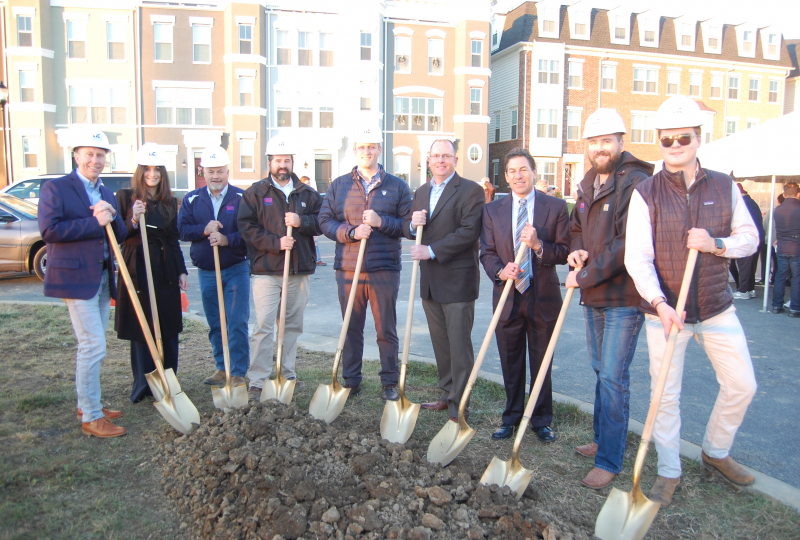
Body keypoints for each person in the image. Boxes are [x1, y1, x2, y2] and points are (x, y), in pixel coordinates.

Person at [625, 95, 759, 507]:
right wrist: (660, 303)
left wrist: (716, 243)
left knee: (742, 384)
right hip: (666, 314)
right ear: (659, 141)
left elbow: (750, 238)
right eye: (667, 139)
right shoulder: (645, 193)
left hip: (716, 306)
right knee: (664, 394)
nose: (676, 144)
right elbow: (637, 257)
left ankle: (715, 450)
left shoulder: (723, 186)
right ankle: (668, 470)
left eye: (684, 137)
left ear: (699, 138)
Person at [565, 109, 653, 489]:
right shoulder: (587, 183)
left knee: (614, 378)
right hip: (594, 295)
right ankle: (603, 437)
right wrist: (575, 251)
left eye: (607, 141)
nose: (600, 148)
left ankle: (610, 459)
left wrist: (584, 274)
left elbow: (625, 246)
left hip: (624, 297)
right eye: (594, 142)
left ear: (621, 142)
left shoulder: (636, 181)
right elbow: (575, 228)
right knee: (602, 371)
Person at [38, 129, 128, 438]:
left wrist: (113, 217)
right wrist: (95, 222)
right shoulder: (57, 188)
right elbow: (49, 231)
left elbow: (120, 234)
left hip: (102, 277)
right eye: (89, 154)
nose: (95, 160)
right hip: (75, 278)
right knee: (93, 345)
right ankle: (91, 417)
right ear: (76, 155)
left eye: (100, 155)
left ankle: (89, 403)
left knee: (93, 345)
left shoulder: (105, 192)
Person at [480, 147, 570, 442]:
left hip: (542, 296)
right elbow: (487, 252)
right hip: (508, 296)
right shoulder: (493, 210)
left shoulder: (555, 207)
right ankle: (512, 416)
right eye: (512, 171)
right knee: (511, 359)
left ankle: (541, 418)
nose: (518, 176)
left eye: (523, 170)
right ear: (505, 177)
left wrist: (539, 246)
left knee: (541, 360)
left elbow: (564, 251)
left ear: (534, 172)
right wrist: (500, 271)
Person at [318, 126, 413, 401]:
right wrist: (351, 232)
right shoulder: (339, 185)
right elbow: (325, 221)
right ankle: (351, 380)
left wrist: (381, 222)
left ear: (379, 150)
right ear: (355, 150)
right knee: (351, 326)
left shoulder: (397, 186)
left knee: (386, 328)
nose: (367, 151)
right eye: (362, 147)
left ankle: (389, 382)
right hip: (349, 268)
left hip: (384, 269)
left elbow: (408, 227)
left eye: (372, 146)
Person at [405, 140, 485, 422]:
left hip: (457, 280)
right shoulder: (422, 191)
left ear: (455, 159)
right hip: (430, 281)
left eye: (446, 156)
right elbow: (409, 226)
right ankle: (446, 393)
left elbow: (469, 232)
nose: (441, 160)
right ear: (428, 160)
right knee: (441, 343)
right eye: (436, 156)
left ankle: (458, 406)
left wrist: (431, 250)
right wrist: (413, 223)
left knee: (459, 344)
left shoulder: (470, 190)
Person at [239, 136, 323, 399]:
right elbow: (246, 228)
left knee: (291, 325)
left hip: (298, 271)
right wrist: (276, 242)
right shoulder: (255, 193)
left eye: (287, 160)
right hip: (267, 270)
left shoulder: (308, 194)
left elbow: (323, 222)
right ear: (269, 162)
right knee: (264, 325)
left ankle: (286, 373)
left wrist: (301, 222)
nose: (282, 165)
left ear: (292, 162)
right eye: (278, 160)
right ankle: (257, 379)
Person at [115, 144, 188, 404]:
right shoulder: (125, 196)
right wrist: (133, 219)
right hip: (137, 267)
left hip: (165, 268)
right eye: (147, 169)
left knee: (167, 323)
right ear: (140, 171)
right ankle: (144, 384)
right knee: (142, 325)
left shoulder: (170, 202)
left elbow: (173, 239)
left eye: (157, 169)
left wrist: (181, 270)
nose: (152, 174)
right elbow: (119, 235)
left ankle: (169, 380)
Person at [178, 146, 250, 388]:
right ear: (203, 173)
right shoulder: (192, 199)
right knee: (216, 322)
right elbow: (181, 230)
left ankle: (238, 370)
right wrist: (204, 230)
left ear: (228, 172)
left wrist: (227, 239)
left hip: (236, 269)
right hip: (207, 271)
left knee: (236, 320)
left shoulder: (242, 198)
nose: (215, 176)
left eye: (220, 171)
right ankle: (222, 366)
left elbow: (250, 234)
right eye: (211, 172)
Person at [731, 183, 765, 300]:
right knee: (751, 266)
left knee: (743, 265)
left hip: (746, 238)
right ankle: (750, 289)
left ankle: (743, 290)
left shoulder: (743, 203)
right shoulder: (751, 202)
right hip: (757, 238)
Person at [771, 182, 800, 316]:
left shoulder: (777, 209)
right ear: (798, 194)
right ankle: (795, 308)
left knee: (780, 276)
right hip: (797, 247)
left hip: (782, 246)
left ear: (783, 193)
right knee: (796, 278)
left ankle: (777, 305)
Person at [300, 175, 327, 266]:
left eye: (309, 183)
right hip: (303, 226)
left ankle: (317, 259)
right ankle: (315, 259)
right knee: (313, 243)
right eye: (306, 183)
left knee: (315, 243)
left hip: (310, 223)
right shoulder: (300, 195)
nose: (308, 185)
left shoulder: (312, 194)